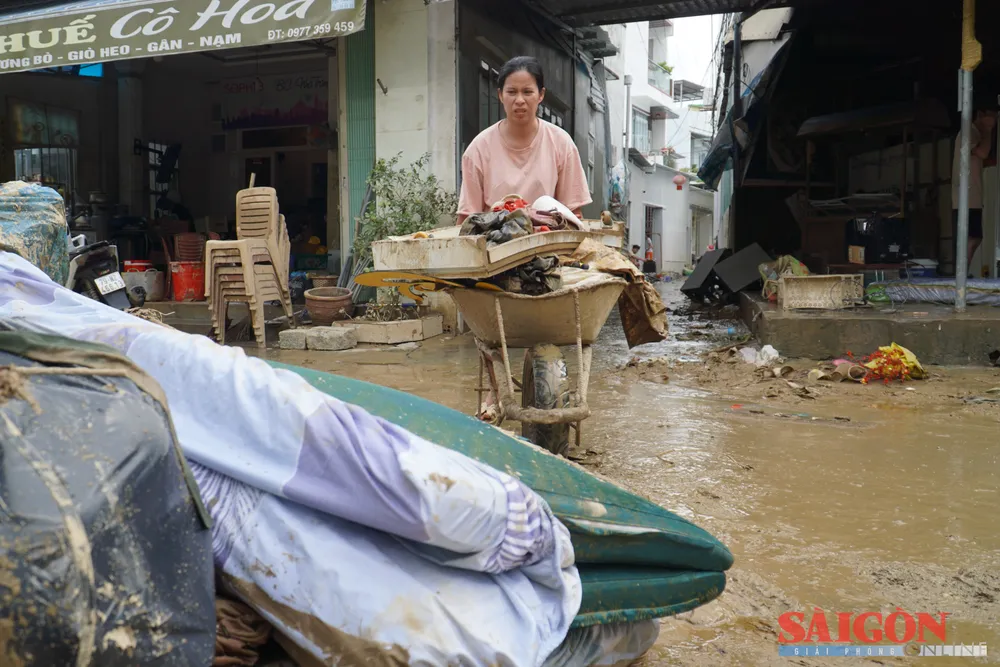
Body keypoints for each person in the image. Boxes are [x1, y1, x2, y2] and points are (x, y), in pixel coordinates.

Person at [457, 56, 592, 224]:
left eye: (527, 92)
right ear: (500, 95)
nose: (519, 100)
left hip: (548, 238)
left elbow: (573, 215)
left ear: (541, 95)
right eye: (512, 92)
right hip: (494, 239)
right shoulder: (478, 149)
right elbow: (467, 220)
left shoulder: (562, 144)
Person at [952, 109, 996, 274]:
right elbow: (982, 152)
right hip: (967, 195)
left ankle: (963, 272)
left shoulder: (974, 132)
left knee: (974, 237)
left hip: (972, 195)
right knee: (971, 237)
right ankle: (961, 274)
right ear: (981, 115)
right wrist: (989, 131)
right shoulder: (969, 132)